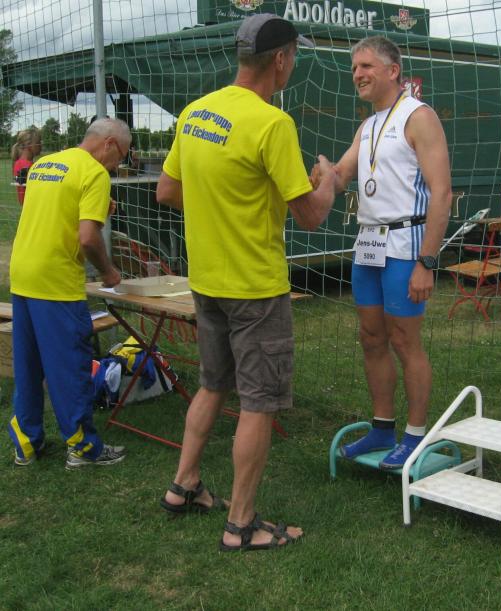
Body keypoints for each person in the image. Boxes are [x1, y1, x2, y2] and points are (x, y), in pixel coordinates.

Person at [156, 13, 336, 552]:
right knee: (258, 402)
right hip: (255, 288)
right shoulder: (271, 123)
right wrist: (328, 181)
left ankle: (184, 485)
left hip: (206, 280)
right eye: (293, 57)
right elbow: (310, 214)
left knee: (213, 384)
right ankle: (241, 524)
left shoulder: (195, 113)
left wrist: (221, 208)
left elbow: (167, 191)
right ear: (280, 59)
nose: (292, 65)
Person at [321, 36, 451, 470]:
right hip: (368, 244)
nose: (357, 74)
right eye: (354, 68)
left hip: (405, 245)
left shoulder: (419, 116)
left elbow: (442, 193)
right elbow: (341, 174)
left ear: (393, 71)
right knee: (371, 337)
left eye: (366, 66)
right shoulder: (369, 125)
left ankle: (415, 434)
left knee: (404, 341)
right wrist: (323, 175)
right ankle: (381, 427)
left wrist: (427, 261)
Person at [7, 117, 130, 469]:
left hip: (23, 275)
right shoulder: (94, 173)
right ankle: (82, 448)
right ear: (109, 144)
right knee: (69, 367)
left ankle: (26, 444)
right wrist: (108, 272)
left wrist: (96, 207)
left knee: (28, 365)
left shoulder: (45, 164)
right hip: (56, 283)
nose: (117, 165)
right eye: (120, 156)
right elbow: (88, 238)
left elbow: (53, 210)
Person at [11, 127, 43, 205]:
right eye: (38, 142)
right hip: (34, 207)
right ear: (29, 145)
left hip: (26, 207)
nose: (41, 145)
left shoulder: (17, 163)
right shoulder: (29, 166)